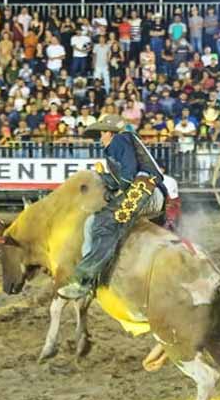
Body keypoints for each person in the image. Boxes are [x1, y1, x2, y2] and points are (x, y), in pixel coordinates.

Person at [58, 115, 166, 299]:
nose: (100, 138)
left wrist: (109, 185)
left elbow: (127, 176)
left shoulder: (119, 140)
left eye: (101, 134)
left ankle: (84, 281)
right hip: (146, 189)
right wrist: (107, 179)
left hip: (143, 187)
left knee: (105, 223)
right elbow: (123, 177)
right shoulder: (121, 143)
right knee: (95, 221)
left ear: (109, 132)